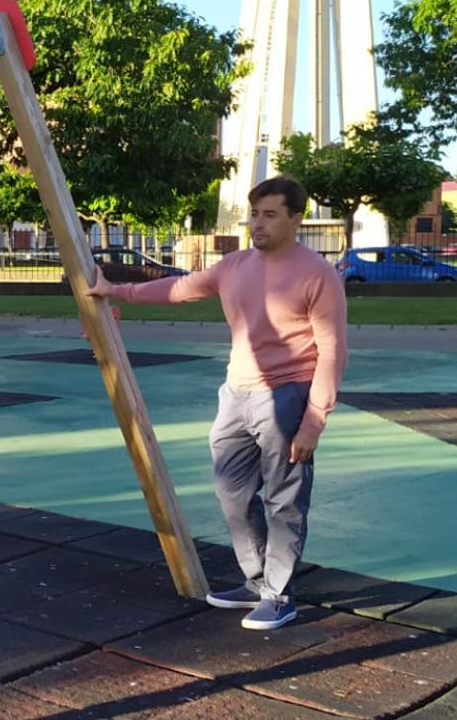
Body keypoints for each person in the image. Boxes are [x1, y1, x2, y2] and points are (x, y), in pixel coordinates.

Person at [85, 176, 347, 630]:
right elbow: (178, 288)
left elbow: (333, 350)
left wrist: (313, 422)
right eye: (254, 214)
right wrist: (116, 291)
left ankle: (279, 594)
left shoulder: (317, 274)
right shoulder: (235, 266)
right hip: (235, 395)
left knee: (284, 501)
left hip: (286, 396)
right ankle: (255, 581)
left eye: (269, 215)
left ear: (295, 219)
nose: (257, 224)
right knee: (232, 493)